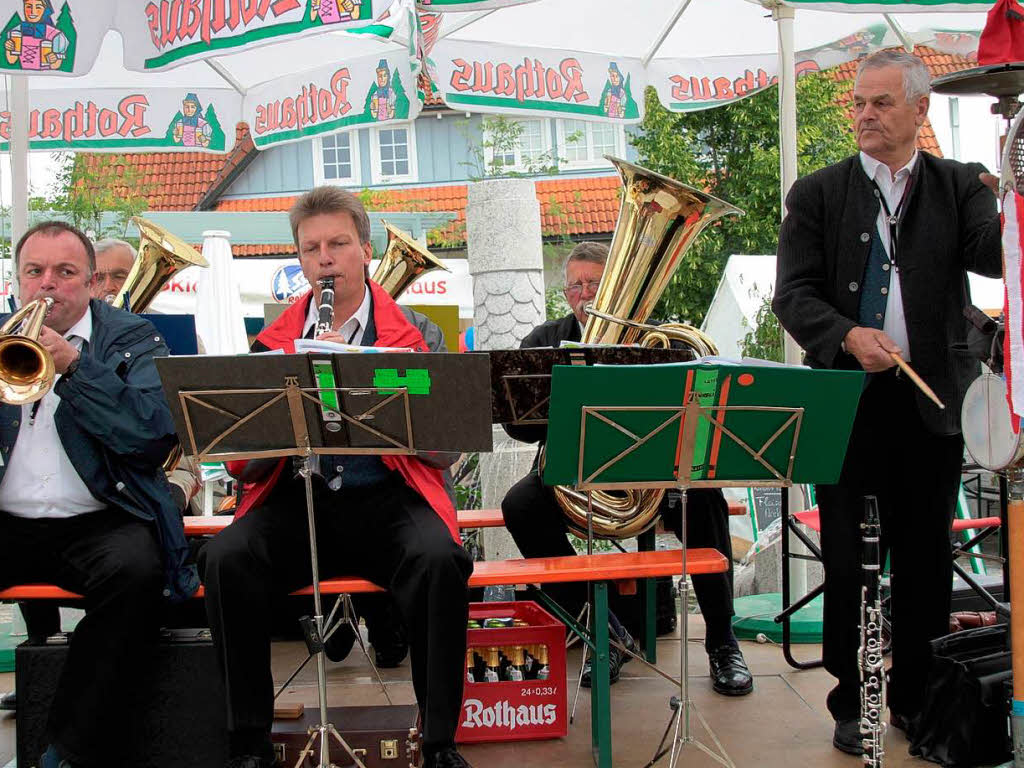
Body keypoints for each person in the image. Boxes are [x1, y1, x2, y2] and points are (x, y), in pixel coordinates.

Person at [773, 50, 1002, 755]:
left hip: (932, 401)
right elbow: (794, 295)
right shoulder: (817, 193)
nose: (866, 114)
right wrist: (846, 335)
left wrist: (1011, 197)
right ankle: (852, 696)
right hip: (848, 398)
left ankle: (917, 696)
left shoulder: (959, 185)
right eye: (859, 103)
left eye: (881, 103)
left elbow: (997, 258)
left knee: (926, 557)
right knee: (845, 557)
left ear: (919, 110)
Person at [199, 186, 474, 768]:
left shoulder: (419, 331)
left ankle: (439, 738)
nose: (325, 259)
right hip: (300, 500)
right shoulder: (270, 342)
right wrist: (291, 392)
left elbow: (447, 453)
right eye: (311, 248)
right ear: (299, 259)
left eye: (339, 244)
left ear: (365, 250)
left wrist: (373, 388)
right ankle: (248, 741)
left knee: (441, 559)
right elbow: (242, 466)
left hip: (389, 496)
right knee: (226, 558)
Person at [501, 241, 753, 696]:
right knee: (519, 505)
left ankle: (722, 640)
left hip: (651, 476)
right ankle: (605, 631)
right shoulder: (544, 340)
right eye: (574, 285)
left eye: (593, 282)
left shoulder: (658, 339)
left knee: (706, 499)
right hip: (573, 476)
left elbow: (702, 407)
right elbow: (520, 430)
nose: (584, 293)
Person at [0, 221, 198, 768]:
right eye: (34, 272)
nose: (48, 286)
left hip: (103, 516)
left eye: (64, 273)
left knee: (136, 576)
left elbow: (154, 435)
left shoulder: (133, 339)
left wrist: (74, 368)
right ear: (18, 281)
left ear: (90, 282)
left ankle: (68, 748)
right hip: (10, 520)